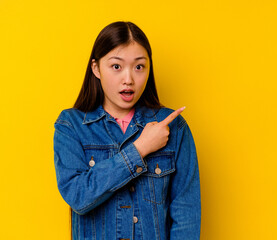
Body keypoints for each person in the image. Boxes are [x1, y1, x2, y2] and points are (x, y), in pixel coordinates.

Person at [53, 21, 201, 240]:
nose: (129, 79)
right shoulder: (71, 126)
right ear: (96, 68)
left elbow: (186, 216)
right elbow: (78, 197)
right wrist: (140, 149)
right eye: (116, 66)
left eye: (139, 67)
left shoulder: (173, 127)